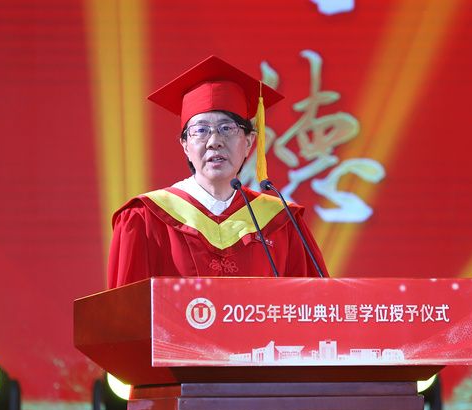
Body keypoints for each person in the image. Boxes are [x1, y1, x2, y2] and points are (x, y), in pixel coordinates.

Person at [107, 56, 328, 288]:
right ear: (185, 145)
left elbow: (313, 302)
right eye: (201, 130)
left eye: (227, 128)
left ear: (249, 142)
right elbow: (126, 306)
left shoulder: (282, 222)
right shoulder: (145, 217)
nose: (214, 141)